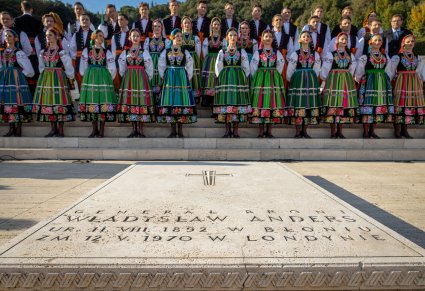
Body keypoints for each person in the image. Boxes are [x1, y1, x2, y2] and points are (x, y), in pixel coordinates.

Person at [33, 28, 76, 137]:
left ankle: (60, 129)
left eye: (50, 35)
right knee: (49, 102)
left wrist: (69, 77)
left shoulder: (61, 52)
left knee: (59, 102)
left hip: (58, 78)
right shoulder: (43, 52)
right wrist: (44, 77)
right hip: (47, 79)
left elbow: (69, 67)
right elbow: (41, 67)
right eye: (47, 35)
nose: (48, 37)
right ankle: (53, 129)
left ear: (57, 37)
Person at [158, 28, 196, 137]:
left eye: (180, 36)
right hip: (170, 77)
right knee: (171, 101)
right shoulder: (166, 51)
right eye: (177, 36)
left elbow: (189, 64)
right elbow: (161, 64)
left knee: (182, 101)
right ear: (172, 37)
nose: (179, 38)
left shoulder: (185, 51)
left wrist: (187, 77)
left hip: (181, 78)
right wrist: (164, 76)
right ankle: (173, 129)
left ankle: (180, 129)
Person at [78, 30, 117, 138]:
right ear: (94, 37)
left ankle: (101, 131)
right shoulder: (87, 50)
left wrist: (109, 78)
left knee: (103, 102)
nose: (101, 38)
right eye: (99, 36)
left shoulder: (107, 52)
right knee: (92, 101)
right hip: (91, 78)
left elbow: (112, 67)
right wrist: (85, 76)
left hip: (103, 77)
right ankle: (94, 129)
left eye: (102, 36)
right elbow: (83, 65)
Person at [386, 34, 425, 138]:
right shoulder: (397, 57)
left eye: (412, 41)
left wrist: (421, 81)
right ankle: (397, 130)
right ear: (403, 44)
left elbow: (420, 72)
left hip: (414, 83)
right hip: (401, 81)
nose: (410, 43)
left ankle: (405, 130)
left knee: (409, 105)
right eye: (408, 42)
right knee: (400, 105)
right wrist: (388, 83)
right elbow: (389, 71)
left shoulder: (417, 57)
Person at [117, 28, 154, 138]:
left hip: (141, 79)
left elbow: (149, 66)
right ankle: (133, 129)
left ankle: (141, 129)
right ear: (130, 37)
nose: (135, 38)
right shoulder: (125, 53)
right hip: (129, 80)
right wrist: (126, 77)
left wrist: (147, 79)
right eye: (133, 36)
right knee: (130, 102)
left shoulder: (144, 52)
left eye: (137, 36)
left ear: (140, 38)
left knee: (141, 102)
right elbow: (122, 67)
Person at [214, 28, 251, 138]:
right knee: (226, 102)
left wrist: (243, 78)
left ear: (237, 37)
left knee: (237, 102)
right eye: (231, 35)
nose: (233, 37)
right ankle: (227, 130)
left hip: (238, 79)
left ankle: (235, 130)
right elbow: (218, 66)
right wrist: (220, 77)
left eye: (235, 35)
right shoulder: (222, 51)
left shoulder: (241, 51)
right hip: (225, 79)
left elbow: (246, 66)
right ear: (227, 37)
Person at [355, 34, 393, 138]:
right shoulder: (364, 57)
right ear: (370, 42)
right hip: (368, 83)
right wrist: (363, 81)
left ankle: (372, 131)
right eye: (375, 40)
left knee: (377, 106)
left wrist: (386, 82)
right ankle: (366, 131)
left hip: (381, 83)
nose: (378, 42)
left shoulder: (385, 57)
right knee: (368, 106)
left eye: (380, 40)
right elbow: (359, 73)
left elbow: (389, 71)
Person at [320, 32, 358, 138]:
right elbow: (325, 69)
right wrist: (325, 79)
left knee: (343, 103)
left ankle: (340, 131)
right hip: (334, 80)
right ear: (337, 41)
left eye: (346, 39)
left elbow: (352, 68)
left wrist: (347, 76)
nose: (344, 41)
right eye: (342, 39)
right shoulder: (330, 54)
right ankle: (333, 131)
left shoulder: (350, 55)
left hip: (345, 80)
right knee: (333, 103)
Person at [250, 29, 286, 138]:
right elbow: (253, 67)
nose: (268, 38)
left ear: (273, 39)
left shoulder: (277, 52)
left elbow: (280, 64)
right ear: (262, 38)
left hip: (273, 80)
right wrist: (257, 77)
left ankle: (269, 130)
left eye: (270, 36)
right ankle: (261, 130)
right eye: (266, 36)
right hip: (260, 80)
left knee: (272, 102)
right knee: (260, 102)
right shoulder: (258, 52)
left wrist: (274, 74)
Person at [286, 31, 321, 138]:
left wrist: (313, 77)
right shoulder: (295, 54)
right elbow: (290, 69)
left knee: (308, 103)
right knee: (298, 104)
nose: (306, 38)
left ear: (311, 39)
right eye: (304, 36)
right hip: (298, 80)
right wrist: (290, 80)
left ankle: (305, 130)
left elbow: (317, 68)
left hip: (310, 79)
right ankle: (297, 131)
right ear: (300, 39)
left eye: (308, 36)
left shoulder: (315, 54)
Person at [0, 29, 34, 137]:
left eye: (10, 36)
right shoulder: (2, 52)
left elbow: (29, 70)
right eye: (6, 36)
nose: (7, 38)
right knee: (7, 101)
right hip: (4, 79)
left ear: (15, 38)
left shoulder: (19, 52)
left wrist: (18, 72)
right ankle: (11, 128)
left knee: (17, 100)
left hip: (16, 79)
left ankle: (18, 128)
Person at [201, 17, 226, 108]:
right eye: (214, 24)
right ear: (211, 26)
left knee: (217, 78)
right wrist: (208, 59)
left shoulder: (223, 39)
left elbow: (224, 51)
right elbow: (204, 52)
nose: (216, 26)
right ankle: (207, 99)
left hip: (219, 60)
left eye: (218, 25)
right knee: (209, 79)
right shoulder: (207, 39)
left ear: (220, 27)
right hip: (209, 61)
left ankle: (216, 99)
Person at [144, 19, 169, 101]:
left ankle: (160, 103)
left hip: (161, 64)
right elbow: (145, 53)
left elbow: (168, 54)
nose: (157, 28)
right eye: (155, 26)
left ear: (162, 28)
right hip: (150, 64)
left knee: (161, 82)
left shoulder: (166, 41)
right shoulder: (148, 40)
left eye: (159, 26)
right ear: (152, 28)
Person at [69, 13, 94, 88]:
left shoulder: (94, 34)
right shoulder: (76, 34)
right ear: (79, 22)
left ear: (90, 22)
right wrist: (76, 57)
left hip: (91, 59)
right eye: (82, 19)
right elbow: (72, 48)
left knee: (90, 77)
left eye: (87, 19)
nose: (84, 21)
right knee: (79, 76)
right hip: (79, 60)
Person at [181, 16, 202, 100]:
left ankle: (194, 96)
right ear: (182, 25)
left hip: (193, 59)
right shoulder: (179, 37)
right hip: (182, 59)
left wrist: (195, 60)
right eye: (185, 23)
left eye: (188, 23)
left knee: (193, 76)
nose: (187, 25)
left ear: (191, 25)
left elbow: (198, 50)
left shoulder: (195, 38)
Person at [110, 13, 130, 92]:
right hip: (117, 60)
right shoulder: (115, 36)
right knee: (118, 80)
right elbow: (113, 51)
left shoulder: (132, 34)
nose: (119, 21)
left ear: (127, 21)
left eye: (122, 19)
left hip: (129, 59)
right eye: (118, 20)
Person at [271, 14, 293, 87]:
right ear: (272, 23)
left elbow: (290, 51)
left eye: (280, 20)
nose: (279, 21)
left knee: (283, 82)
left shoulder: (287, 37)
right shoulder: (268, 35)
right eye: (276, 20)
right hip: (271, 62)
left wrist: (287, 62)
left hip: (284, 63)